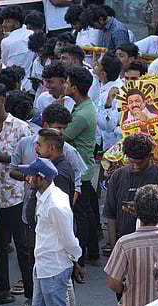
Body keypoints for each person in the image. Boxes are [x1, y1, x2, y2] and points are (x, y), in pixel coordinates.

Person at [0, 82, 33, 306]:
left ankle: (31, 294)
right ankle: (3, 289)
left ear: (3, 100)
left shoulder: (21, 128)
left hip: (16, 194)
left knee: (22, 246)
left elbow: (28, 162)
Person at [17, 157, 81, 306]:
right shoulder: (43, 196)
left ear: (41, 178)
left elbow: (69, 239)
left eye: (31, 176)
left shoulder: (55, 204)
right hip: (42, 266)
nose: (27, 178)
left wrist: (75, 261)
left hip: (54, 269)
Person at [62, 66, 100, 267]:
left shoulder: (81, 115)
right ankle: (92, 252)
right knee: (89, 213)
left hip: (81, 170)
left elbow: (63, 137)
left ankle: (81, 258)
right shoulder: (84, 107)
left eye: (68, 83)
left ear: (75, 88)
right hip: (86, 167)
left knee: (81, 216)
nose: (65, 85)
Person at [104, 135, 158, 248]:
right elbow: (111, 214)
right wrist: (115, 248)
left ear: (150, 156)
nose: (135, 166)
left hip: (152, 244)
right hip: (124, 243)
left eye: (140, 163)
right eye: (131, 161)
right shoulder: (118, 176)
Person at [92, 52, 123, 151]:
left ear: (103, 74)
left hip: (113, 145)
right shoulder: (101, 83)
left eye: (97, 64)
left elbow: (108, 126)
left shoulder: (116, 92)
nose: (94, 65)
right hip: (102, 140)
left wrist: (108, 104)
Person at [0, 5, 34, 91]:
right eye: (4, 21)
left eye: (7, 21)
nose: (3, 24)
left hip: (12, 85)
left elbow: (3, 63)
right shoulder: (31, 34)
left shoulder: (6, 42)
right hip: (29, 85)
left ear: (17, 23)